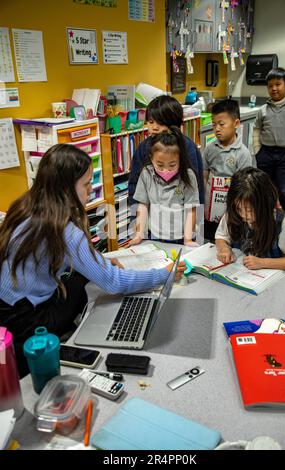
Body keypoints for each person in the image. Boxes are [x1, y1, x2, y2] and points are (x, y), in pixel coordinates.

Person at [0, 144, 185, 377]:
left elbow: (73, 254)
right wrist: (165, 273)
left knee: (81, 276)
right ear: (66, 188)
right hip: (24, 319)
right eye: (86, 184)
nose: (90, 190)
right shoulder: (63, 228)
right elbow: (113, 282)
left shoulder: (28, 204)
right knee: (84, 287)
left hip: (8, 304)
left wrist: (97, 261)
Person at [215, 167, 285, 271]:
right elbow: (221, 237)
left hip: (269, 280)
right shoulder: (232, 214)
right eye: (238, 208)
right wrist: (224, 248)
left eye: (249, 210)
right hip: (239, 274)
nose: (243, 215)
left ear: (265, 204)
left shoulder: (281, 223)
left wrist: (263, 262)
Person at [127, 126, 200, 246]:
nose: (166, 170)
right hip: (155, 235)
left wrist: (188, 239)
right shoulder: (146, 173)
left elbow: (191, 209)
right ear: (151, 158)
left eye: (172, 165)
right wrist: (139, 234)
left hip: (180, 237)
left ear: (180, 160)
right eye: (160, 165)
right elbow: (143, 206)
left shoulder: (188, 176)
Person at [128, 94, 204, 207]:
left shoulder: (187, 147)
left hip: (181, 218)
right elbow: (134, 186)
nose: (154, 127)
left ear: (175, 123)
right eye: (150, 122)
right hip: (151, 218)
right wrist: (135, 219)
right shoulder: (143, 148)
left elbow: (198, 190)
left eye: (160, 122)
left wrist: (198, 222)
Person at [253, 67, 285, 227]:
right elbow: (257, 129)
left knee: (284, 190)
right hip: (265, 153)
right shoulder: (263, 109)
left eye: (278, 84)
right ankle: (268, 220)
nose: (274, 88)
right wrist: (257, 150)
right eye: (270, 85)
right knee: (265, 189)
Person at [203, 99, 253, 241]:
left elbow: (244, 186)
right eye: (214, 124)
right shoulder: (210, 149)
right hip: (209, 209)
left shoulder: (243, 153)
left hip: (230, 209)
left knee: (228, 240)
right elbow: (204, 176)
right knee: (208, 240)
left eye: (221, 124)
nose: (217, 128)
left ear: (236, 124)